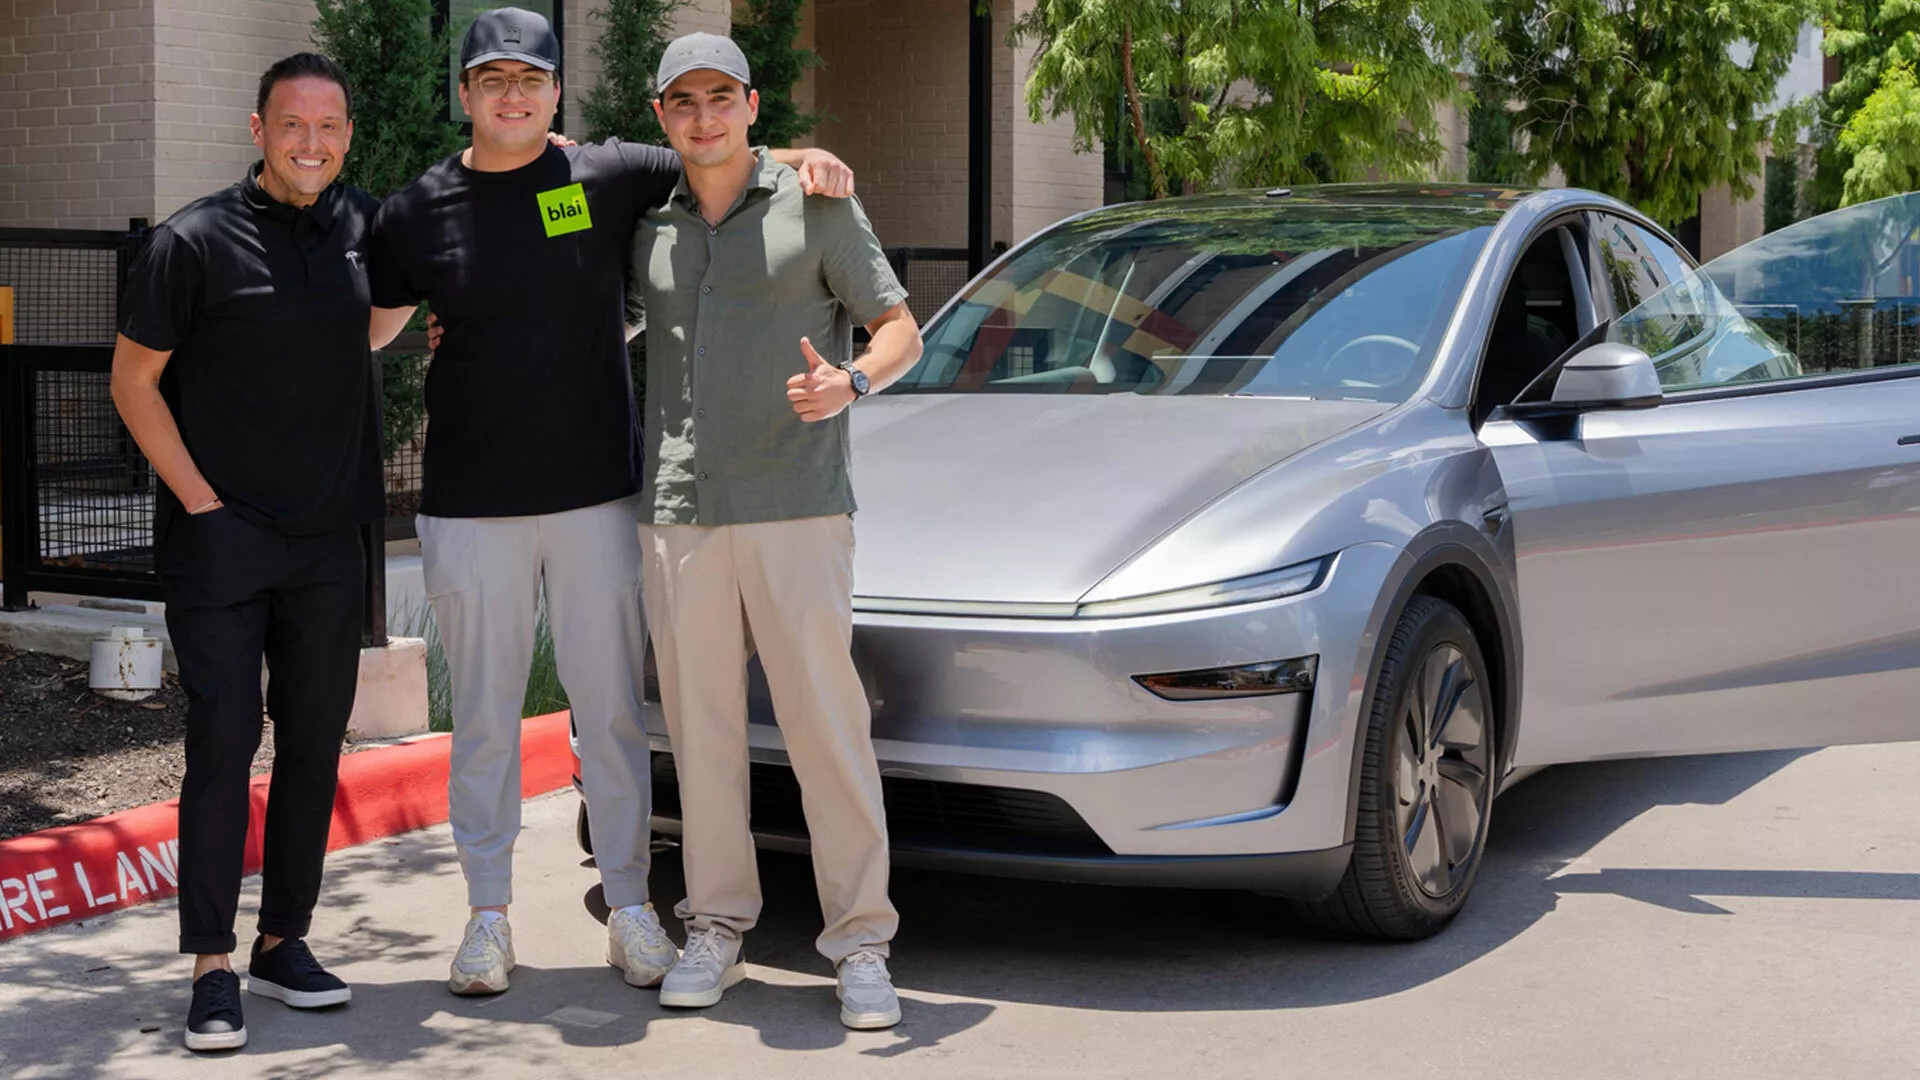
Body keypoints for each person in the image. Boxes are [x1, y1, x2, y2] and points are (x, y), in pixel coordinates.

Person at [364, 7, 859, 998]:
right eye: (492, 79)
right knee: (486, 719)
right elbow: (372, 329)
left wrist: (810, 157)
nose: (512, 95)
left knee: (613, 716)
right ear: (465, 94)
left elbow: (719, 151)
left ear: (557, 93)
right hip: (468, 505)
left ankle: (630, 907)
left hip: (597, 496)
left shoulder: (610, 173)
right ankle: (488, 917)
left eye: (530, 79)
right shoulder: (418, 208)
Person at [628, 33, 924, 1030]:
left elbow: (900, 330)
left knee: (824, 732)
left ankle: (862, 942)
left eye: (722, 97)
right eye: (683, 102)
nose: (703, 117)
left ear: (752, 105)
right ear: (662, 115)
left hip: (798, 503)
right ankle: (716, 926)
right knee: (702, 735)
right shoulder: (646, 223)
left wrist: (852, 383)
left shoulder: (821, 206)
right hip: (682, 510)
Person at [111, 53, 378, 1053]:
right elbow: (133, 383)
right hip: (221, 541)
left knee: (313, 745)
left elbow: (382, 317)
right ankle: (211, 965)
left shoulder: (364, 228)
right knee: (223, 746)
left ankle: (281, 942)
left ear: (347, 135)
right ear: (258, 129)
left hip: (330, 541)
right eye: (292, 123)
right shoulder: (191, 240)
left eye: (329, 125)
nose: (312, 141)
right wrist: (201, 502)